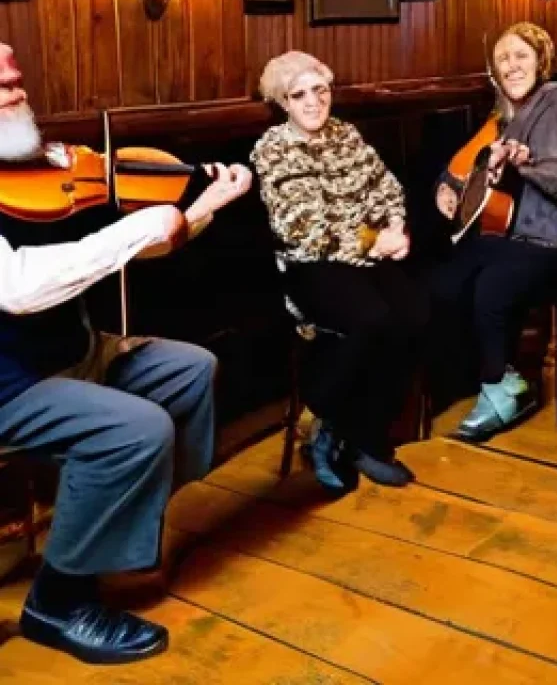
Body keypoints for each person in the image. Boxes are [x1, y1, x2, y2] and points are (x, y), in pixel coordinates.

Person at [0, 42, 252, 664]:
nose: (16, 88)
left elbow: (130, 246)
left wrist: (198, 209)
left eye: (15, 78)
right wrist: (143, 224)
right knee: (136, 429)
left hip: (71, 351)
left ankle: (113, 531)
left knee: (189, 371)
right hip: (10, 384)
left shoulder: (35, 168)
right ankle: (56, 604)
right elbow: (19, 289)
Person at [250, 51, 429, 492]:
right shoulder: (274, 149)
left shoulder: (346, 134)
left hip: (366, 253)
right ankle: (327, 422)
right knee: (371, 319)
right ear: (283, 102)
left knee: (415, 312)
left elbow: (385, 186)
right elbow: (305, 227)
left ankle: (365, 437)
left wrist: (395, 227)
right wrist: (374, 241)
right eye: (299, 95)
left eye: (321, 91)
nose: (313, 102)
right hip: (310, 264)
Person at [431, 22, 557, 442]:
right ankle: (478, 375)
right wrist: (446, 186)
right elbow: (466, 162)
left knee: (491, 287)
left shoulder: (556, 103)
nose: (512, 65)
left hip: (554, 239)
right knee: (447, 279)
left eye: (521, 55)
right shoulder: (506, 113)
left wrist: (528, 164)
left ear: (541, 61)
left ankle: (503, 390)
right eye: (503, 59)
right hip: (513, 233)